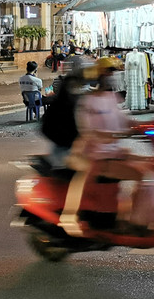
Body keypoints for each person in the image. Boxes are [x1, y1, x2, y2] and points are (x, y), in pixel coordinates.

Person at [59, 57, 146, 237]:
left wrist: (146, 127)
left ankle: (131, 218)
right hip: (93, 155)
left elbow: (124, 120)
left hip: (112, 153)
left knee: (147, 170)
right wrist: (110, 136)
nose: (110, 77)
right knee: (91, 172)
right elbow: (88, 131)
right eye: (107, 73)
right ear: (97, 76)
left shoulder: (111, 98)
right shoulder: (88, 101)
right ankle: (69, 216)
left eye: (112, 73)